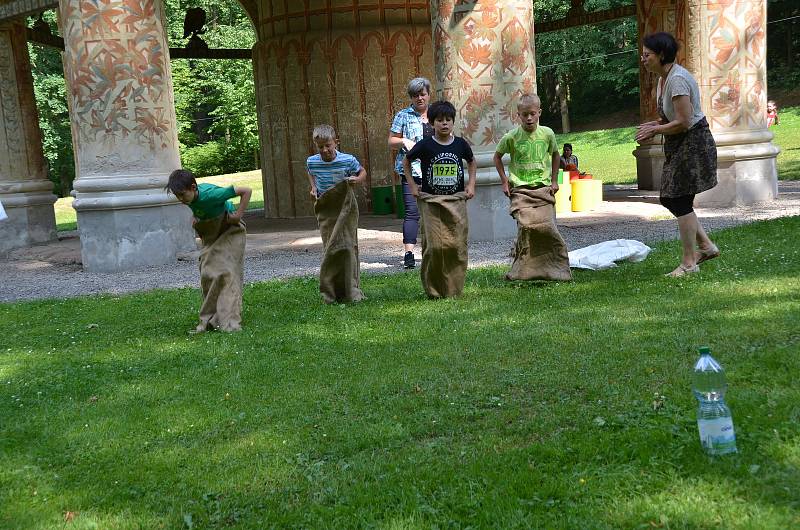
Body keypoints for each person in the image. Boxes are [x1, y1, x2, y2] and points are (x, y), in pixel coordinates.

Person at [635, 32, 720, 277]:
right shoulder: (664, 79)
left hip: (693, 143)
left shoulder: (679, 80)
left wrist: (656, 128)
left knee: (680, 200)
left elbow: (684, 122)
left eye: (647, 55)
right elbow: (671, 117)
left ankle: (688, 263)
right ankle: (705, 246)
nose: (643, 59)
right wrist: (657, 125)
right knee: (670, 199)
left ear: (661, 55)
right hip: (680, 144)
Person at [493, 94, 572, 282]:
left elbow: (555, 155)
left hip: (543, 189)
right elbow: (497, 157)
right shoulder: (511, 137)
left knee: (547, 227)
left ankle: (556, 268)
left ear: (539, 113)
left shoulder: (547, 134)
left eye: (533, 114)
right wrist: (505, 181)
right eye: (525, 114)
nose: (529, 118)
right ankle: (524, 269)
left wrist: (554, 180)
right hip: (521, 190)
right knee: (526, 227)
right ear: (518, 115)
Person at [403, 100, 476, 298]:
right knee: (435, 247)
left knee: (456, 246)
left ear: (453, 122)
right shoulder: (425, 145)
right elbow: (406, 161)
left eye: (448, 120)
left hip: (455, 202)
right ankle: (434, 289)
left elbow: (471, 161)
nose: (444, 124)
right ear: (432, 123)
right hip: (432, 202)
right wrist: (412, 185)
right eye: (440, 120)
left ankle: (453, 289)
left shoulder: (460, 144)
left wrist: (471, 185)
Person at [166, 169, 251, 332]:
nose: (181, 200)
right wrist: (197, 217)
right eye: (178, 197)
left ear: (193, 187)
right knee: (207, 270)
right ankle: (212, 315)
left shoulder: (212, 194)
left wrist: (238, 215)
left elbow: (246, 190)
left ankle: (229, 318)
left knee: (226, 271)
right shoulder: (190, 198)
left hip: (229, 230)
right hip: (212, 233)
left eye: (182, 195)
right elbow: (199, 206)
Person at [306, 124, 367, 304]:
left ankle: (350, 289)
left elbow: (362, 172)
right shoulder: (312, 161)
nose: (325, 150)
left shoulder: (348, 160)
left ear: (336, 143)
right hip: (326, 207)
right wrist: (313, 187)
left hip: (346, 207)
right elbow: (310, 172)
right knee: (331, 246)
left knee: (348, 245)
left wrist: (357, 179)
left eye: (328, 145)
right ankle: (331, 290)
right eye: (320, 147)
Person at [388, 77, 434, 269]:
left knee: (434, 211)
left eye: (422, 94)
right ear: (411, 97)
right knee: (412, 212)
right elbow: (391, 141)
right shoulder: (403, 115)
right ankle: (409, 254)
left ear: (429, 94)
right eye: (415, 95)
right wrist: (403, 141)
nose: (419, 98)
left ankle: (435, 250)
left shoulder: (437, 114)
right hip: (411, 171)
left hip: (435, 171)